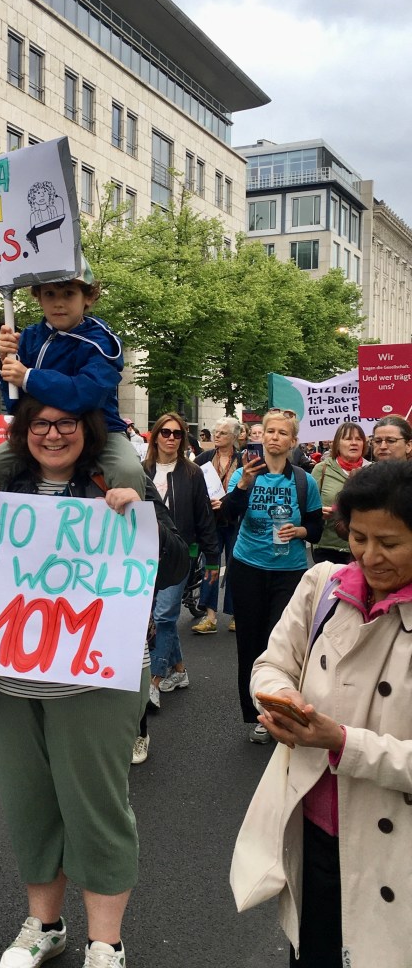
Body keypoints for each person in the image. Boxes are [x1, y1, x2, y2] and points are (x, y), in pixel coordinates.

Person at [0, 398, 188, 968]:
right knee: (30, 807)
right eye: (40, 423)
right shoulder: (0, 486)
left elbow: (178, 566)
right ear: (23, 430)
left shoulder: (116, 480)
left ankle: (106, 943)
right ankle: (45, 925)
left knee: (97, 809)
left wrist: (141, 518)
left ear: (88, 429)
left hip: (98, 681)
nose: (53, 434)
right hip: (14, 683)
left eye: (66, 423)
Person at [250, 459, 412, 967]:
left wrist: (342, 742)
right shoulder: (324, 585)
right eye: (359, 537)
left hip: (397, 851)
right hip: (315, 829)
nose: (370, 556)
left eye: (389, 543)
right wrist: (281, 700)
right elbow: (272, 663)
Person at [0, 257, 145, 498]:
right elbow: (16, 403)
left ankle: (133, 520)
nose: (58, 303)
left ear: (88, 297)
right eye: (49, 294)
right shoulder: (28, 337)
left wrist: (28, 377)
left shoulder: (101, 342)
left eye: (68, 293)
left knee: (128, 471)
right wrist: (6, 362)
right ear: (38, 297)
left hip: (102, 432)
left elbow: (87, 393)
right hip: (43, 431)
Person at [223, 409, 323, 743]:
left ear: (293, 441)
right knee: (249, 643)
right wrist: (242, 486)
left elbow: (316, 529)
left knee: (280, 645)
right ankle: (258, 713)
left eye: (282, 433)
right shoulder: (246, 473)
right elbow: (227, 515)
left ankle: (282, 709)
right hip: (248, 568)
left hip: (289, 572)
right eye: (270, 431)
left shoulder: (304, 481)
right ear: (261, 436)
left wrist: (300, 531)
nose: (275, 437)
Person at [132, 412, 218, 764]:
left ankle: (153, 682)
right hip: (142, 552)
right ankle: (179, 671)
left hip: (179, 552)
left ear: (184, 439)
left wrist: (212, 559)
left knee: (166, 614)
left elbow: (204, 515)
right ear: (154, 436)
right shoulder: (139, 470)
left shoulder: (193, 473)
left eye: (177, 433)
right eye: (164, 432)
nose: (170, 438)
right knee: (156, 617)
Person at [193, 417, 245, 633]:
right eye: (216, 431)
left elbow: (248, 489)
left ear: (234, 436)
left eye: (223, 432)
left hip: (235, 521)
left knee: (236, 565)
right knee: (210, 565)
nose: (217, 435)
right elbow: (193, 486)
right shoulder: (203, 459)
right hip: (211, 521)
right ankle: (210, 616)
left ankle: (235, 614)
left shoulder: (243, 460)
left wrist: (227, 502)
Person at [310, 422, 369, 565]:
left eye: (358, 439)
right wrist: (319, 512)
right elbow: (308, 506)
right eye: (348, 439)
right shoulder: (322, 469)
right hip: (327, 547)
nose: (354, 443)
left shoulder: (373, 470)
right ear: (337, 443)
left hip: (365, 548)